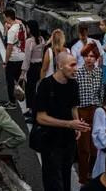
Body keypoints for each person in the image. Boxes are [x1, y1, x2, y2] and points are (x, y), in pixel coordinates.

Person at [36, 52, 91, 191]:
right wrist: (69, 124)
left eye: (76, 64)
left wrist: (77, 125)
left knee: (66, 179)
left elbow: (73, 107)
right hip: (51, 142)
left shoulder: (73, 84)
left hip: (68, 142)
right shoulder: (46, 85)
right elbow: (40, 117)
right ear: (60, 66)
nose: (76, 68)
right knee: (54, 182)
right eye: (72, 65)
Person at [75, 43, 104, 185]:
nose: (89, 58)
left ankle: (90, 173)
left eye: (92, 56)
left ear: (96, 58)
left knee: (95, 147)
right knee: (84, 148)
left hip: (95, 111)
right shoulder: (78, 73)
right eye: (86, 56)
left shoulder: (99, 72)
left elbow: (101, 93)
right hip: (82, 111)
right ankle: (82, 178)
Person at [21, 20, 45, 121]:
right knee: (37, 89)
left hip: (32, 67)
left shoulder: (29, 41)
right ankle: (33, 111)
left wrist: (23, 72)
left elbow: (27, 58)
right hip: (40, 67)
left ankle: (32, 112)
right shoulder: (41, 39)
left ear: (30, 28)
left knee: (30, 90)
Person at [2, 8, 26, 110]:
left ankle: (12, 102)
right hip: (22, 56)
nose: (4, 19)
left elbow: (9, 47)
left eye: (4, 17)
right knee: (19, 79)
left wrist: (5, 62)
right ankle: (22, 94)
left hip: (13, 58)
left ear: (8, 17)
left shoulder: (12, 30)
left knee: (10, 81)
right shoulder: (21, 25)